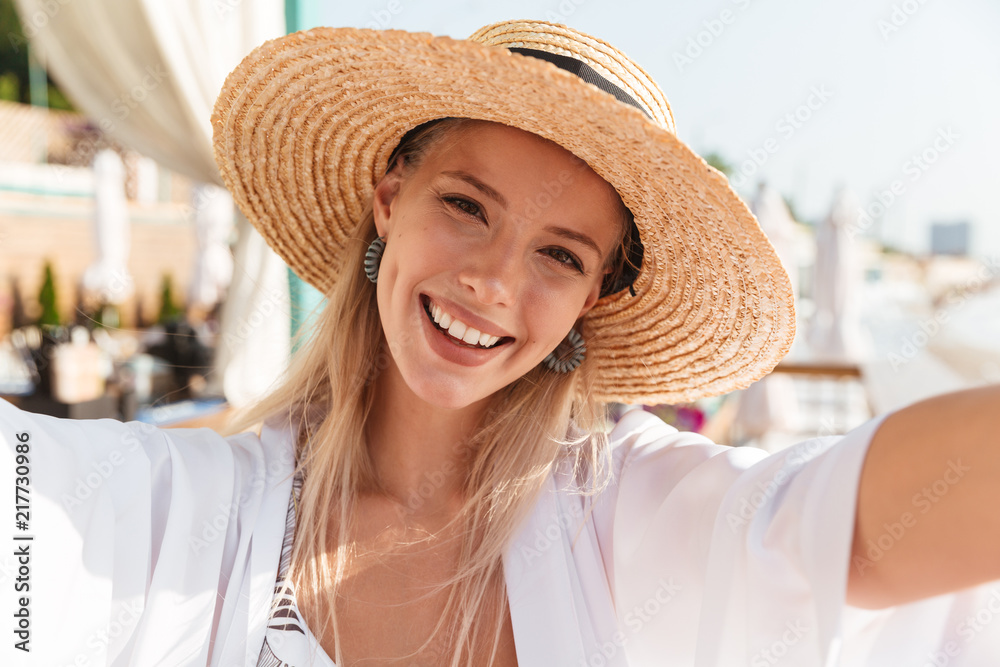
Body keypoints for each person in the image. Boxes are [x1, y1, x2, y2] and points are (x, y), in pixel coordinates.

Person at [3, 19, 1000, 667]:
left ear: (593, 302)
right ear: (387, 199)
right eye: (467, 205)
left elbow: (851, 533)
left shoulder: (630, 508)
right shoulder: (189, 501)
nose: (493, 280)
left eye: (560, 256)